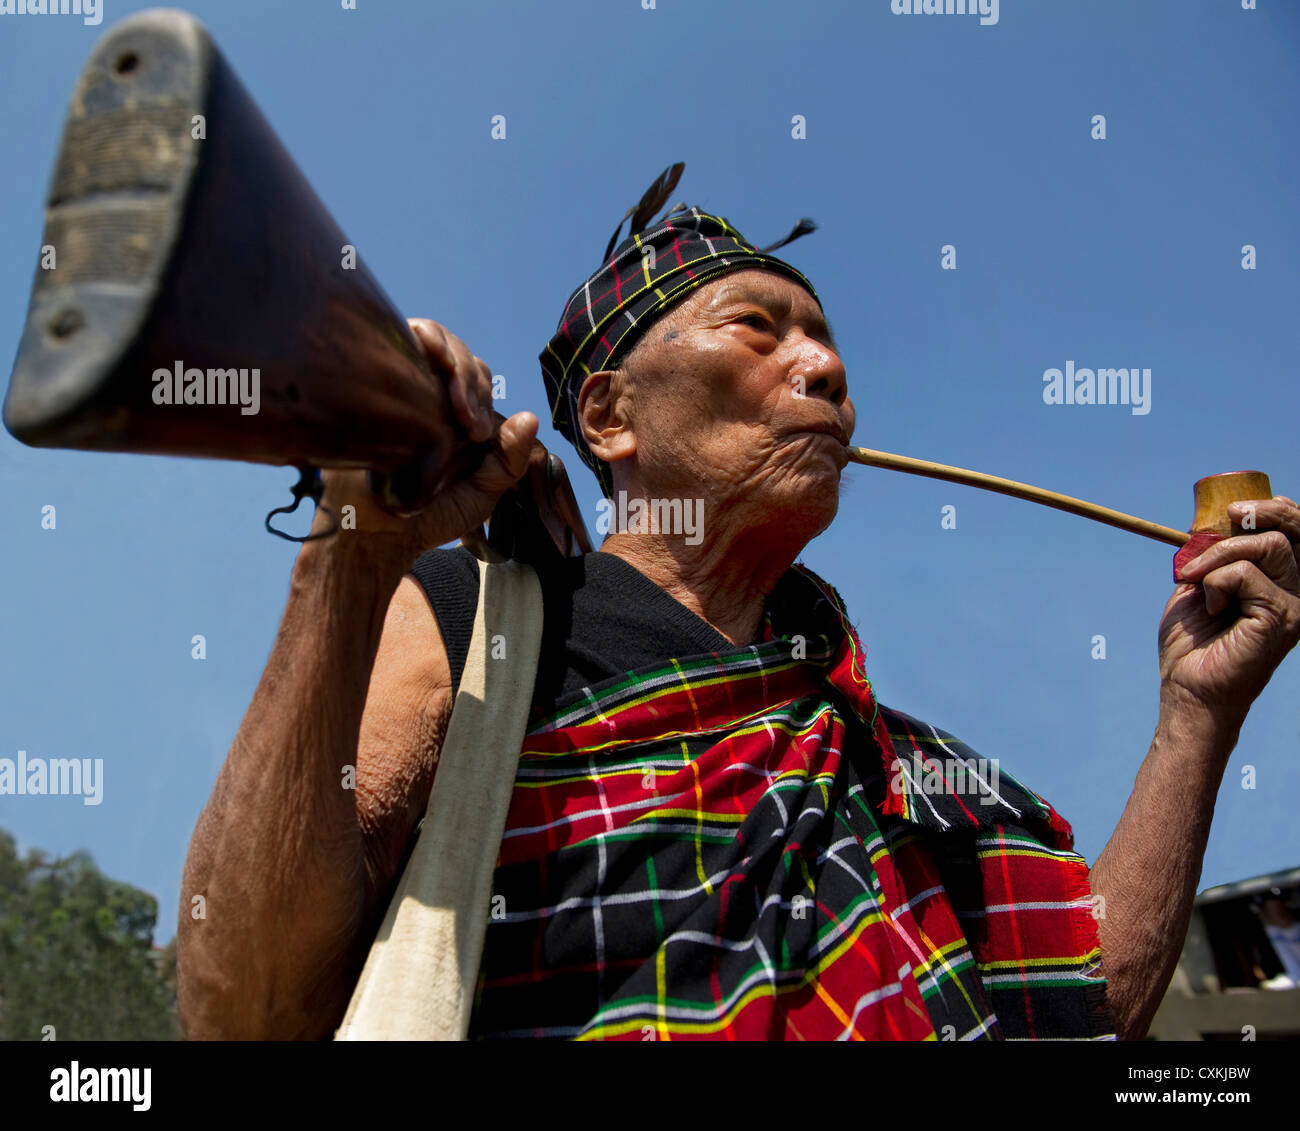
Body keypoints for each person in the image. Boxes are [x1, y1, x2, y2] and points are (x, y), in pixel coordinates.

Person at [175, 171, 1300, 1042]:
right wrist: (347, 559)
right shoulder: (488, 622)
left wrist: (1198, 713)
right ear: (608, 415)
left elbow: (1079, 1011)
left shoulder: (886, 759)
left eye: (825, 343)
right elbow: (247, 1006)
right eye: (756, 329)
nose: (823, 370)